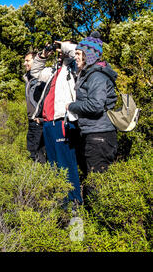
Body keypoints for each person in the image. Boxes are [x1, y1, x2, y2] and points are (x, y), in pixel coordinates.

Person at [30, 41, 82, 204]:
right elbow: (35, 71)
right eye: (58, 53)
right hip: (48, 123)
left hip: (63, 121)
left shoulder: (73, 68)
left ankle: (74, 204)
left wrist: (64, 46)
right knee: (54, 166)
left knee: (66, 165)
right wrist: (43, 54)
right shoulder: (53, 72)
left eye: (62, 53)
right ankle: (60, 204)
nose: (59, 55)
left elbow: (78, 53)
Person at [67, 32, 118, 181]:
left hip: (100, 135)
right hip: (94, 133)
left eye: (78, 53)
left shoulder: (96, 76)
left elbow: (96, 105)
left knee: (97, 182)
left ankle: (98, 205)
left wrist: (71, 106)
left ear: (88, 55)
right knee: (94, 179)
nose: (75, 57)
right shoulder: (89, 73)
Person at [23, 52, 46, 163]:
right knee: (32, 150)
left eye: (27, 61)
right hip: (31, 120)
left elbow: (45, 99)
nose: (24, 63)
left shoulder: (41, 79)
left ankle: (42, 176)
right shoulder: (28, 79)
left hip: (39, 121)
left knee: (39, 152)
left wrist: (41, 118)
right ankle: (37, 175)